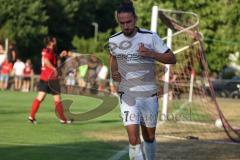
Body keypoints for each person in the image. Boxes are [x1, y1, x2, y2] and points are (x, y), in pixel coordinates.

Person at [108, 1, 176, 160]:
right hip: (128, 95)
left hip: (148, 95)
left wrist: (151, 54)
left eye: (129, 22)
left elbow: (172, 58)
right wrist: (115, 76)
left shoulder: (150, 37)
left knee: (149, 137)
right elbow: (113, 59)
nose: (125, 26)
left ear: (135, 19)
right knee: (133, 139)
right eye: (122, 23)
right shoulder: (114, 40)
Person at [28, 36, 71, 124]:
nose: (56, 41)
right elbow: (46, 61)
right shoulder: (49, 51)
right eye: (54, 40)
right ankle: (63, 119)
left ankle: (31, 116)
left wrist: (60, 55)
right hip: (51, 78)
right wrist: (54, 69)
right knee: (57, 99)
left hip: (44, 77)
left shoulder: (47, 50)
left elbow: (50, 58)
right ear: (50, 42)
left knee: (40, 97)